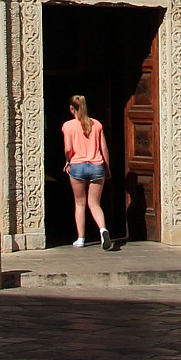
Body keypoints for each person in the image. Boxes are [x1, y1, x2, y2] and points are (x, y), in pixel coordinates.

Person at [60, 96, 117, 250]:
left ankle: (80, 238)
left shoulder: (69, 126)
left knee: (80, 203)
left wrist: (68, 161)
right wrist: (107, 167)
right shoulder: (96, 124)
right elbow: (104, 148)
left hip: (77, 165)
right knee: (95, 204)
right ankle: (103, 230)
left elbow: (67, 148)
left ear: (72, 109)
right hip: (96, 165)